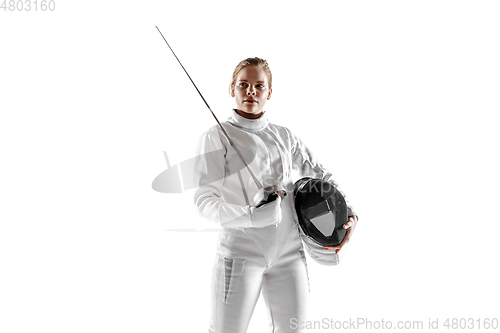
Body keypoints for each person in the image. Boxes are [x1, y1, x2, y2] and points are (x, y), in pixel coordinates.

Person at [193, 57, 358, 333]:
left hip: (289, 251)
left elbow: (321, 176)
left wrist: (349, 212)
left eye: (259, 86)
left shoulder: (285, 137)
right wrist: (252, 216)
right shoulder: (216, 137)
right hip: (241, 251)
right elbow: (204, 201)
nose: (251, 91)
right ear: (232, 89)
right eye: (243, 84)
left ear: (269, 92)